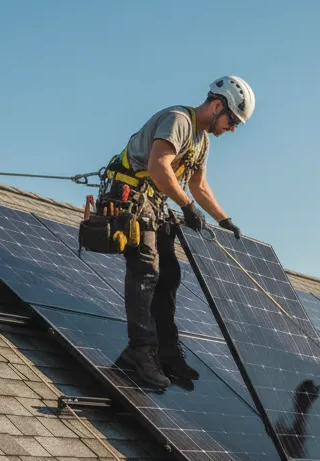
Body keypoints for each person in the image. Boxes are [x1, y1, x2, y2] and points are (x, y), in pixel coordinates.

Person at [102, 76, 255, 389]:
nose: (233, 128)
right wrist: (186, 206)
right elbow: (159, 167)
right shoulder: (178, 120)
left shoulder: (203, 139)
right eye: (232, 120)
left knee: (169, 274)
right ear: (216, 105)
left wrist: (223, 219)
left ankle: (168, 352)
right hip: (131, 196)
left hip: (155, 202)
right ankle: (140, 351)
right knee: (147, 270)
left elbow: (198, 186)